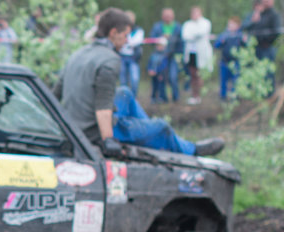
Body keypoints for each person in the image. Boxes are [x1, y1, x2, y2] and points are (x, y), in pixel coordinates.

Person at [55, 8, 224, 157]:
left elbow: (54, 94)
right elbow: (103, 108)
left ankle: (145, 130)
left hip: (77, 124)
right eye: (126, 35)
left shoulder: (78, 54)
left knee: (125, 93)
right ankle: (192, 150)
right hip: (95, 130)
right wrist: (108, 141)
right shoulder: (109, 60)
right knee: (161, 126)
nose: (128, 41)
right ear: (114, 33)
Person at [181, 6, 213, 104]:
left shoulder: (205, 23)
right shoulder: (187, 24)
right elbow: (185, 36)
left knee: (200, 74)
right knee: (193, 74)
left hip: (202, 53)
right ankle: (194, 95)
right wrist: (195, 35)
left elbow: (202, 33)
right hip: (191, 52)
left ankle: (199, 95)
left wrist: (193, 35)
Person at [150, 8, 181, 101]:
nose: (167, 18)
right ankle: (163, 97)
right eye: (166, 16)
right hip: (160, 56)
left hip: (173, 56)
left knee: (173, 77)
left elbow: (181, 42)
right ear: (162, 16)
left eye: (169, 16)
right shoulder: (157, 27)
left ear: (173, 16)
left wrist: (180, 55)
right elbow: (152, 39)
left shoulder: (178, 27)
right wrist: (160, 39)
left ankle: (176, 97)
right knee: (161, 77)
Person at [215, 16, 245, 99]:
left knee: (235, 81)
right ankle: (223, 97)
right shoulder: (224, 35)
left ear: (237, 26)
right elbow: (216, 45)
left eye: (233, 24)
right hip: (224, 62)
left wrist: (244, 41)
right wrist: (221, 41)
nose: (230, 26)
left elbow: (245, 46)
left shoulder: (240, 35)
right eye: (229, 24)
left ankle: (234, 97)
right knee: (223, 81)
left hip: (235, 62)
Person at [147, 35, 170, 101]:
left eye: (161, 45)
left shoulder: (164, 56)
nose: (159, 47)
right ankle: (154, 97)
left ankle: (163, 97)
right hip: (153, 74)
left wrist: (157, 71)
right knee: (154, 86)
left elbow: (164, 65)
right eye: (158, 45)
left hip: (161, 74)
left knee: (161, 86)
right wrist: (149, 70)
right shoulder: (153, 55)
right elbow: (150, 63)